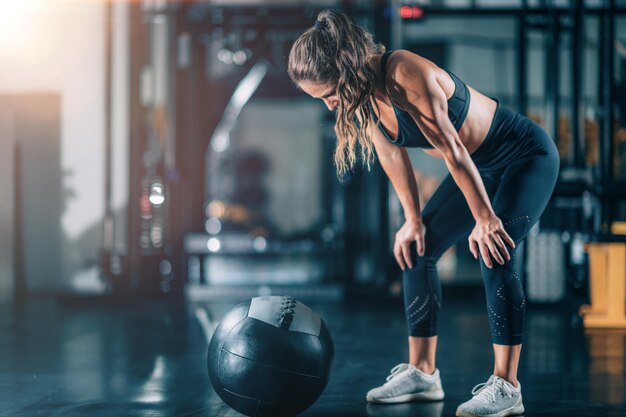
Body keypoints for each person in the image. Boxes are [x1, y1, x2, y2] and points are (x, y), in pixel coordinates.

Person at [288, 10, 559, 417]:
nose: (330, 105)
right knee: (417, 247)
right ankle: (423, 372)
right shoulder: (364, 99)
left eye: (329, 93)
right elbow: (392, 156)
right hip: (478, 166)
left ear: (346, 69)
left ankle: (508, 385)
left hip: (523, 158)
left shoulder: (403, 72)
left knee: (494, 249)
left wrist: (485, 218)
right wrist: (411, 219)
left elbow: (453, 150)